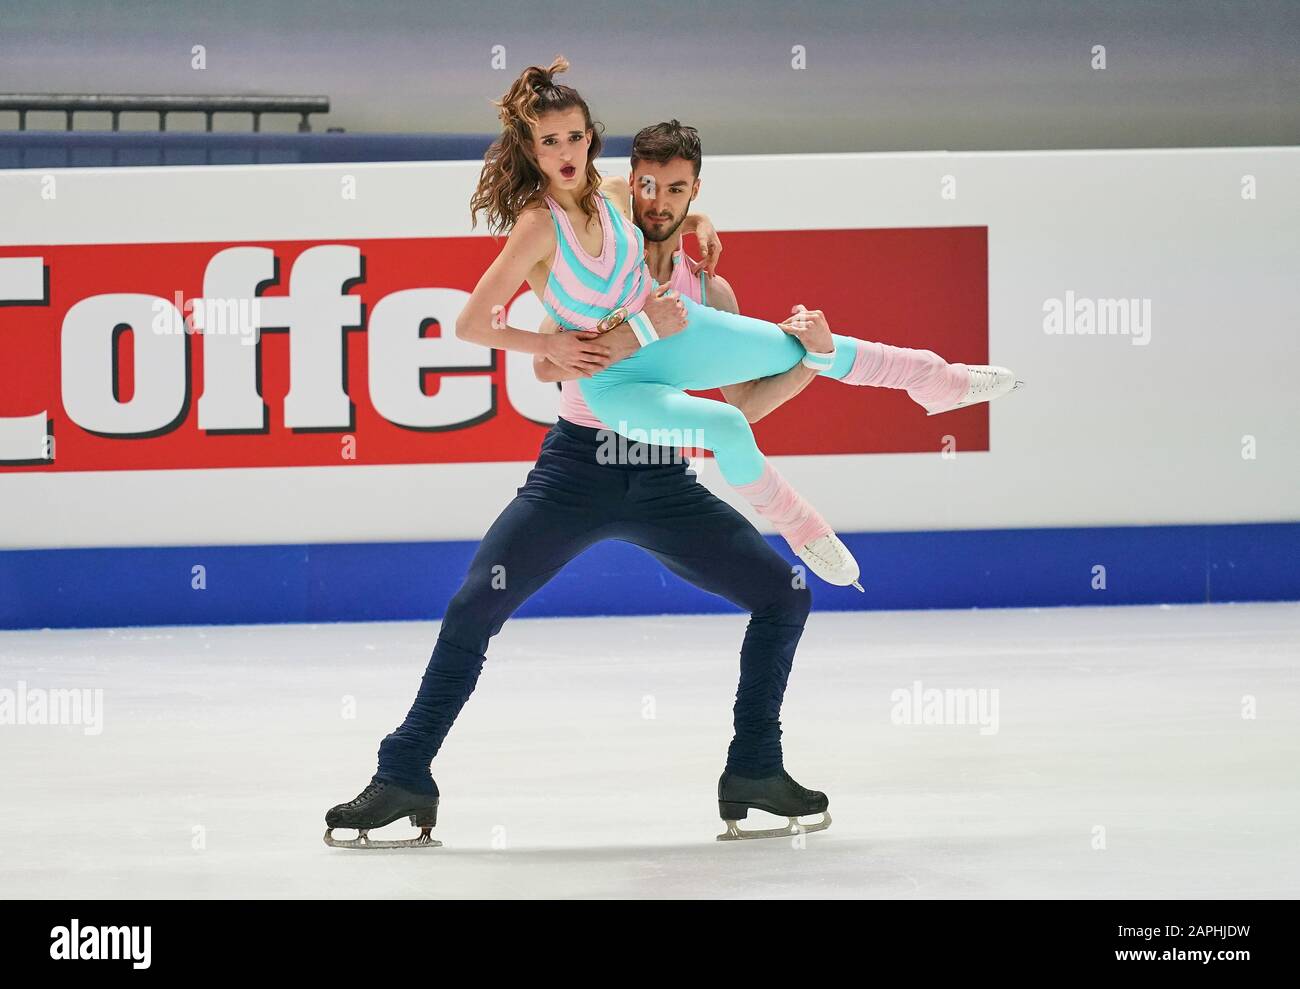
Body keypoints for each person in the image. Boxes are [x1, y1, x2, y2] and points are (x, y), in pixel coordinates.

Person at [322, 59, 1018, 848]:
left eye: (678, 194)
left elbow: (743, 407)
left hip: (662, 476)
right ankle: (404, 773)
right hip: (578, 467)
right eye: (649, 187)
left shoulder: (699, 280)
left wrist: (807, 358)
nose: (657, 201)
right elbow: (531, 348)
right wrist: (552, 346)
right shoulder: (573, 217)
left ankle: (754, 766)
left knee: (783, 595)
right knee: (473, 604)